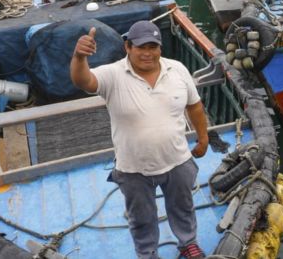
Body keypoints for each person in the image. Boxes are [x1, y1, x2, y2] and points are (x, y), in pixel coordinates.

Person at [70, 20, 209, 259]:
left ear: (160, 48)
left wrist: (203, 138)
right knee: (141, 217)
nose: (147, 53)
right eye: (141, 47)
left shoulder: (177, 69)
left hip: (177, 159)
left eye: (153, 47)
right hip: (133, 167)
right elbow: (84, 81)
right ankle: (147, 252)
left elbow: (194, 106)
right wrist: (79, 57)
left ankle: (188, 242)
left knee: (183, 207)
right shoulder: (113, 73)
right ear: (128, 47)